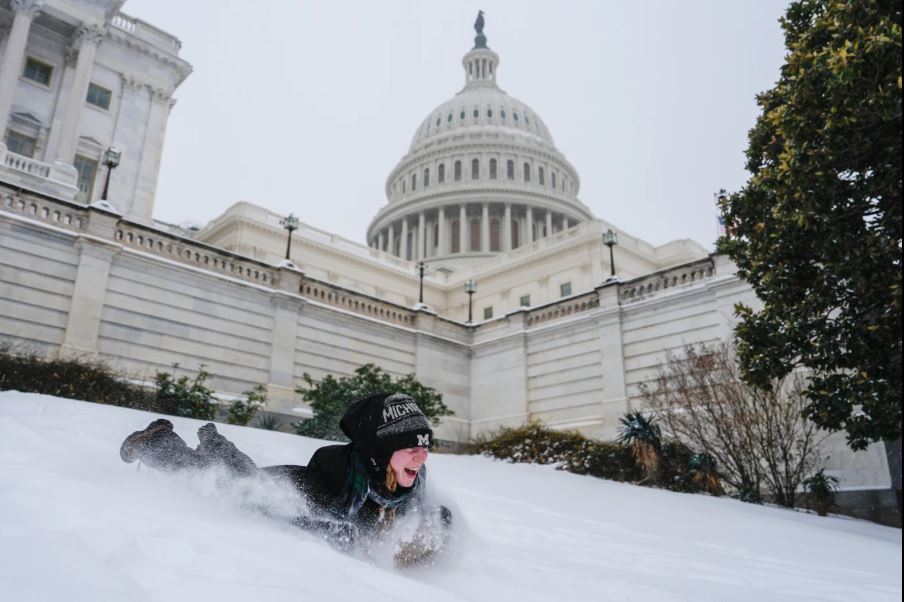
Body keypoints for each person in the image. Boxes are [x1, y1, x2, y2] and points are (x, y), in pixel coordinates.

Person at [119, 392, 451, 565]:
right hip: (290, 489)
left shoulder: (409, 481)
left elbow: (413, 523)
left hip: (297, 492)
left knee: (240, 473)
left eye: (425, 447)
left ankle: (214, 445)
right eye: (410, 448)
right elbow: (319, 528)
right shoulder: (343, 478)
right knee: (225, 483)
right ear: (379, 451)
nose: (421, 456)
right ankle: (156, 442)